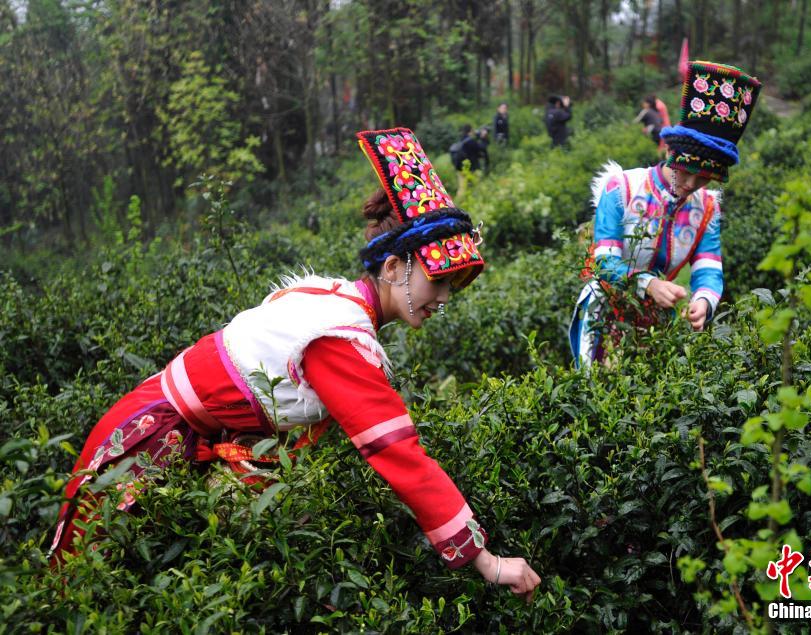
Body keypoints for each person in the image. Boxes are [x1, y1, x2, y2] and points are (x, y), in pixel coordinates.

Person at [52, 127, 542, 599]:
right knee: (84, 583)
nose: (443, 299)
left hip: (194, 440)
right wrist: (488, 561)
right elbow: (396, 450)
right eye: (437, 282)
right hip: (151, 438)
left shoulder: (336, 301)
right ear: (393, 268)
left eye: (451, 288)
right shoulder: (336, 336)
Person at [570, 61, 762, 368]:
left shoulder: (707, 208)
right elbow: (604, 262)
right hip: (604, 315)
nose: (692, 185)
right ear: (672, 155)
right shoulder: (621, 188)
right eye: (687, 173)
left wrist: (703, 301)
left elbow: (709, 268)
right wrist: (648, 285)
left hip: (660, 323)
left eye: (704, 180)